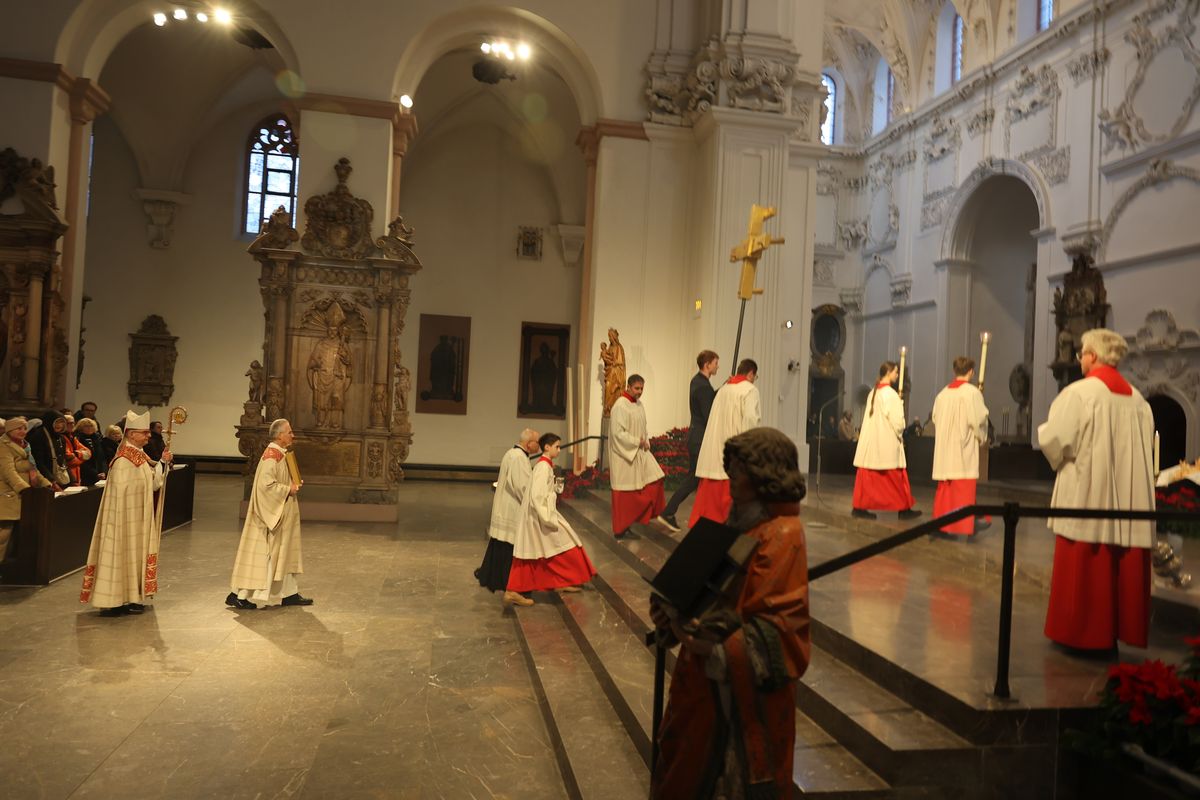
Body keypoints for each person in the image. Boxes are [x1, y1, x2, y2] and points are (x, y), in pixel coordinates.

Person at [650, 427, 811, 799]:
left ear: (764, 475)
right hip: (699, 686)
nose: (731, 480)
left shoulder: (783, 534)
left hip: (741, 702)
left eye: (739, 471)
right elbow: (709, 584)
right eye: (732, 469)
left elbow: (781, 628)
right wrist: (671, 610)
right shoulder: (740, 523)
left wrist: (711, 640)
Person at [1038, 328, 1155, 651]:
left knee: (1084, 566)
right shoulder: (1138, 399)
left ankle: (1081, 634)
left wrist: (1050, 440)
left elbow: (1054, 440)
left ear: (1091, 355)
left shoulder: (1080, 394)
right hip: (1126, 497)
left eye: (1081, 354)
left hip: (1088, 490)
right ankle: (1115, 631)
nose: (1079, 360)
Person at [79, 410, 173, 617]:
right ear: (131, 434)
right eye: (144, 433)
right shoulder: (123, 460)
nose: (148, 436)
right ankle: (112, 601)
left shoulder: (138, 456)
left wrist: (163, 463)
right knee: (120, 553)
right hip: (121, 521)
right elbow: (120, 495)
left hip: (136, 518)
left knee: (133, 555)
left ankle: (130, 596)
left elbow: (153, 483)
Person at [228, 418, 310, 609]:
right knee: (266, 556)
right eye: (289, 432)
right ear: (280, 435)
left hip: (283, 511)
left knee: (285, 553)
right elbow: (265, 487)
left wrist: (293, 484)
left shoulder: (281, 453)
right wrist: (287, 489)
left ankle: (289, 593)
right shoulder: (271, 456)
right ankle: (240, 595)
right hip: (271, 516)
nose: (293, 435)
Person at [505, 433, 596, 604]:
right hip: (540, 516)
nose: (559, 450)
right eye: (557, 447)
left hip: (541, 514)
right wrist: (548, 516)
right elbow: (537, 496)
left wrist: (553, 490)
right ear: (547, 447)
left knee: (544, 551)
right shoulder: (543, 468)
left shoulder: (545, 466)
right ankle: (513, 590)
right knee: (542, 550)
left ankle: (562, 581)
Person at [690, 358, 762, 527]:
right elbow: (751, 420)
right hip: (734, 450)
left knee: (711, 505)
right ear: (751, 373)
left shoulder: (724, 389)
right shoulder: (750, 390)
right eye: (755, 376)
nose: (754, 379)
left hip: (716, 449)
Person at [657, 350, 719, 532]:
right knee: (695, 478)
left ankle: (673, 512)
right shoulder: (703, 387)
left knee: (695, 478)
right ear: (707, 364)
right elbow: (709, 414)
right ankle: (669, 512)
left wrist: (723, 388)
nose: (718, 366)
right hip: (699, 439)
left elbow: (708, 400)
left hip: (695, 436)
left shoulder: (697, 382)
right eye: (716, 363)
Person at [476, 428, 540, 603]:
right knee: (509, 548)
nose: (539, 446)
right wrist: (535, 502)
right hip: (512, 508)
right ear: (529, 443)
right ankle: (510, 585)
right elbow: (521, 487)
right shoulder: (519, 458)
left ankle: (497, 580)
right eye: (537, 442)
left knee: (502, 545)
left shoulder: (512, 453)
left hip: (506, 506)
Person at [851, 361, 921, 520]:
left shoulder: (873, 392)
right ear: (889, 372)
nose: (897, 375)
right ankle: (904, 508)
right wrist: (902, 424)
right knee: (896, 478)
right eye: (896, 372)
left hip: (872, 443)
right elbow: (897, 423)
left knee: (867, 478)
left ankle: (859, 506)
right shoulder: (890, 394)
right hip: (886, 444)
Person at [931, 357, 990, 536]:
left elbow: (934, 418)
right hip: (962, 449)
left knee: (946, 489)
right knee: (962, 488)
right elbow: (977, 420)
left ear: (954, 371)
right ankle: (962, 525)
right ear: (971, 371)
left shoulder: (942, 394)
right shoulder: (972, 393)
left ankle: (942, 524)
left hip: (944, 448)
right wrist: (982, 437)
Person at [608, 375, 666, 538]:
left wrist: (645, 441)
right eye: (637, 388)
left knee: (655, 478)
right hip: (624, 457)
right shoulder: (620, 406)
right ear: (628, 387)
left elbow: (643, 428)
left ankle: (635, 519)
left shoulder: (639, 405)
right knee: (625, 494)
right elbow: (617, 434)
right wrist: (637, 441)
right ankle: (621, 529)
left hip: (639, 452)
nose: (639, 392)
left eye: (642, 389)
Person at [0, 417, 53, 562]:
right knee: (4, 533)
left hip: (22, 495)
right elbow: (8, 471)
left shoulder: (25, 446)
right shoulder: (3, 445)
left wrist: (46, 484)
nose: (23, 431)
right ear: (10, 430)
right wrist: (24, 488)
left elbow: (32, 468)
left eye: (24, 428)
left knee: (16, 536)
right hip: (8, 493)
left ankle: (8, 569)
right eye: (19, 428)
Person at [29, 410, 70, 488]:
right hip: (44, 479)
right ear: (50, 422)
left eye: (62, 422)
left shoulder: (61, 437)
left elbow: (63, 459)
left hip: (58, 478)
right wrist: (51, 480)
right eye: (57, 422)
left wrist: (72, 479)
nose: (59, 425)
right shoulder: (38, 436)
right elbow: (38, 462)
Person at [74, 418, 107, 486]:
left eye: (91, 426)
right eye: (86, 426)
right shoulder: (77, 439)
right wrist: (95, 473)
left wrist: (104, 472)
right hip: (85, 474)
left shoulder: (97, 439)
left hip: (99, 473)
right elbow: (81, 459)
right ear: (80, 427)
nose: (89, 428)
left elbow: (102, 457)